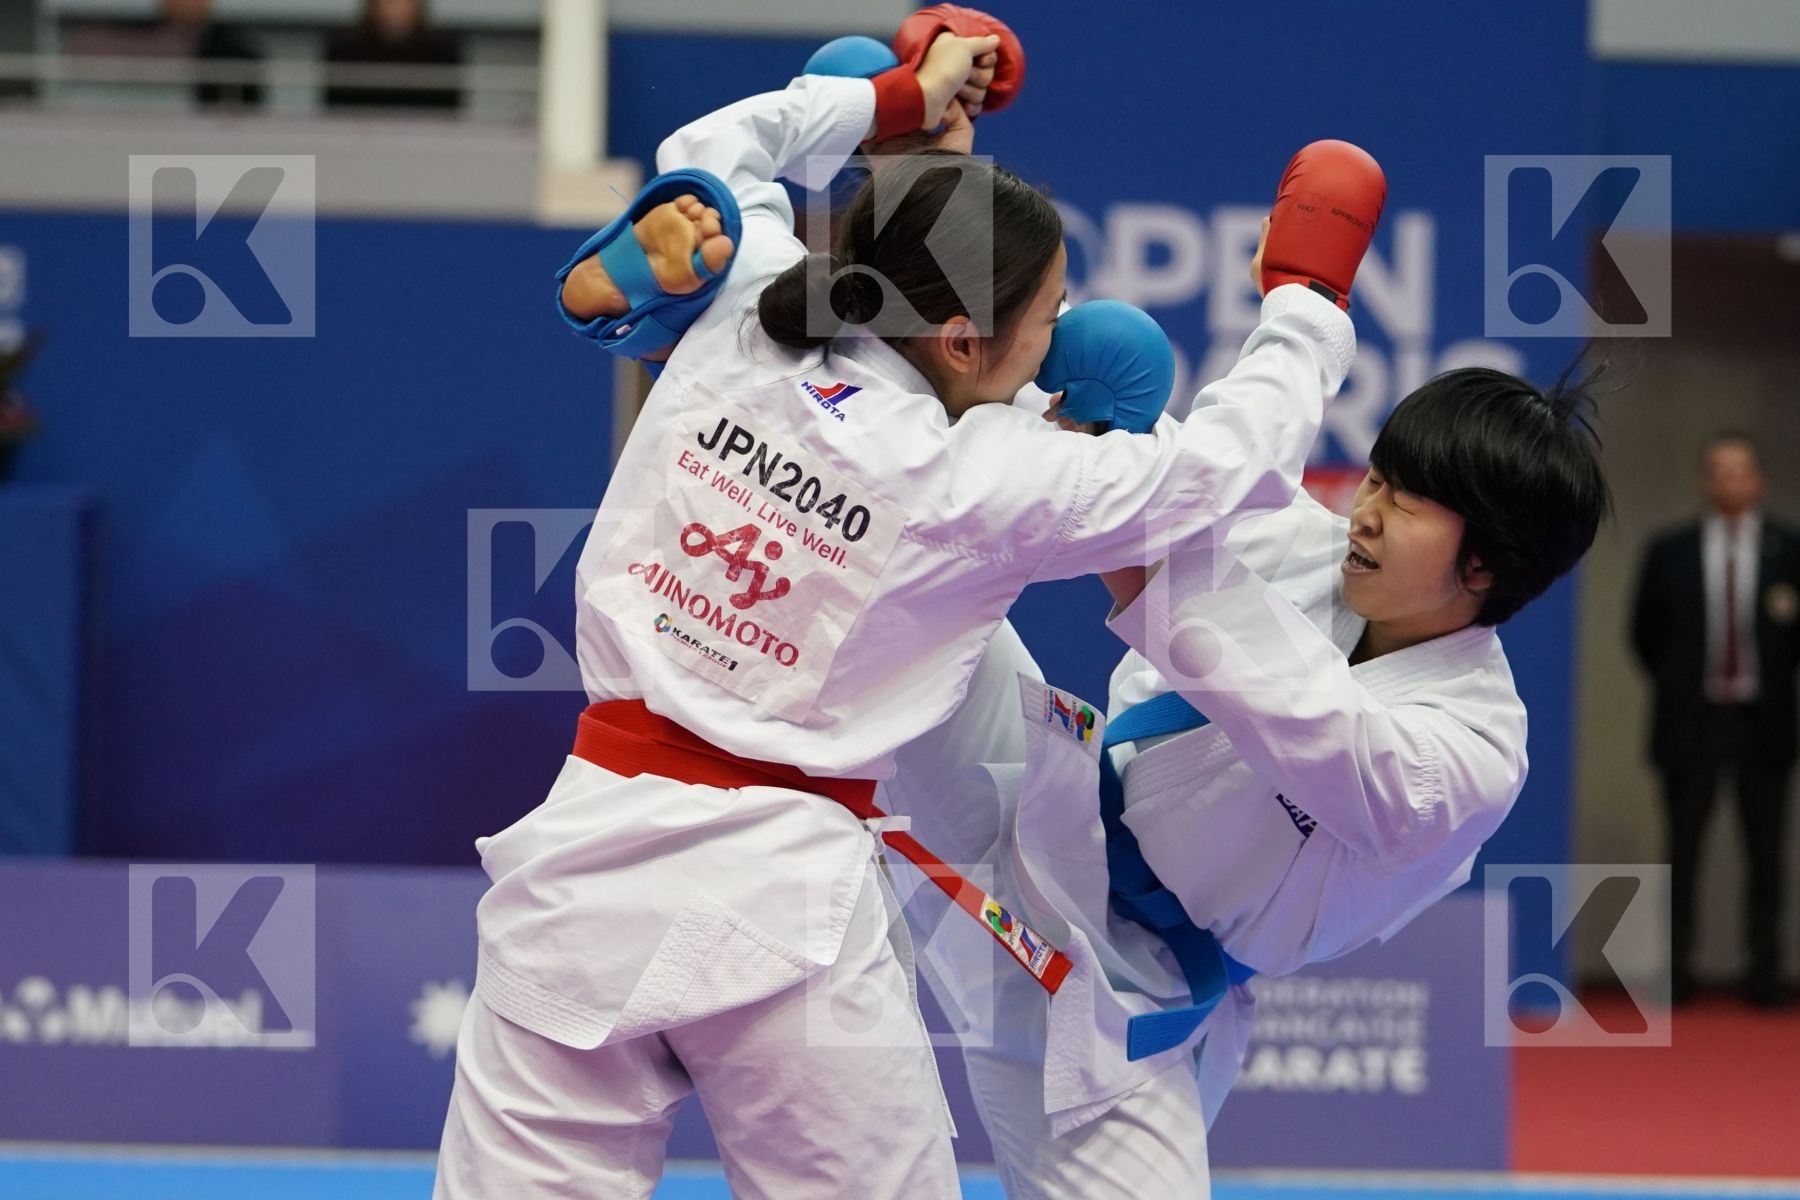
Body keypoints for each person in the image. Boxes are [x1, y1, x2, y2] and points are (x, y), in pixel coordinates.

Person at [433, 28, 1383, 1200]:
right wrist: (1307, 302)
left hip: (576, 863)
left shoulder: (742, 310)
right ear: (965, 341)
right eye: (1046, 323)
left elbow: (712, 150)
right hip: (780, 911)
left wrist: (888, 98)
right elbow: (1231, 464)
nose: (1054, 349)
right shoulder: (981, 478)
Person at [884, 362, 1612, 1197]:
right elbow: (1162, 497)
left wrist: (1151, 541)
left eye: (1404, 503)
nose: (1364, 516)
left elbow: (1306, 716)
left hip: (1133, 993)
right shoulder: (1310, 544)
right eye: (1376, 478)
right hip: (1042, 813)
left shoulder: (1469, 753)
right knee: (899, 596)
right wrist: (1081, 409)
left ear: (1482, 565)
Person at [1632, 433, 1800, 1008]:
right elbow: (1645, 635)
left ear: (1758, 480)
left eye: (1741, 471)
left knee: (1768, 853)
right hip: (1691, 720)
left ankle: (1767, 975)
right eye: (1718, 472)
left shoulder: (1789, 548)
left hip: (1764, 721)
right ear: (1705, 481)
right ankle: (1676, 974)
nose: (1730, 482)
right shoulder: (1670, 549)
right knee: (1682, 853)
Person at [324, 0, 460, 111]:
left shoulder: (441, 53)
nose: (397, 6)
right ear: (373, 5)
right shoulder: (345, 51)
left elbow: (447, 113)